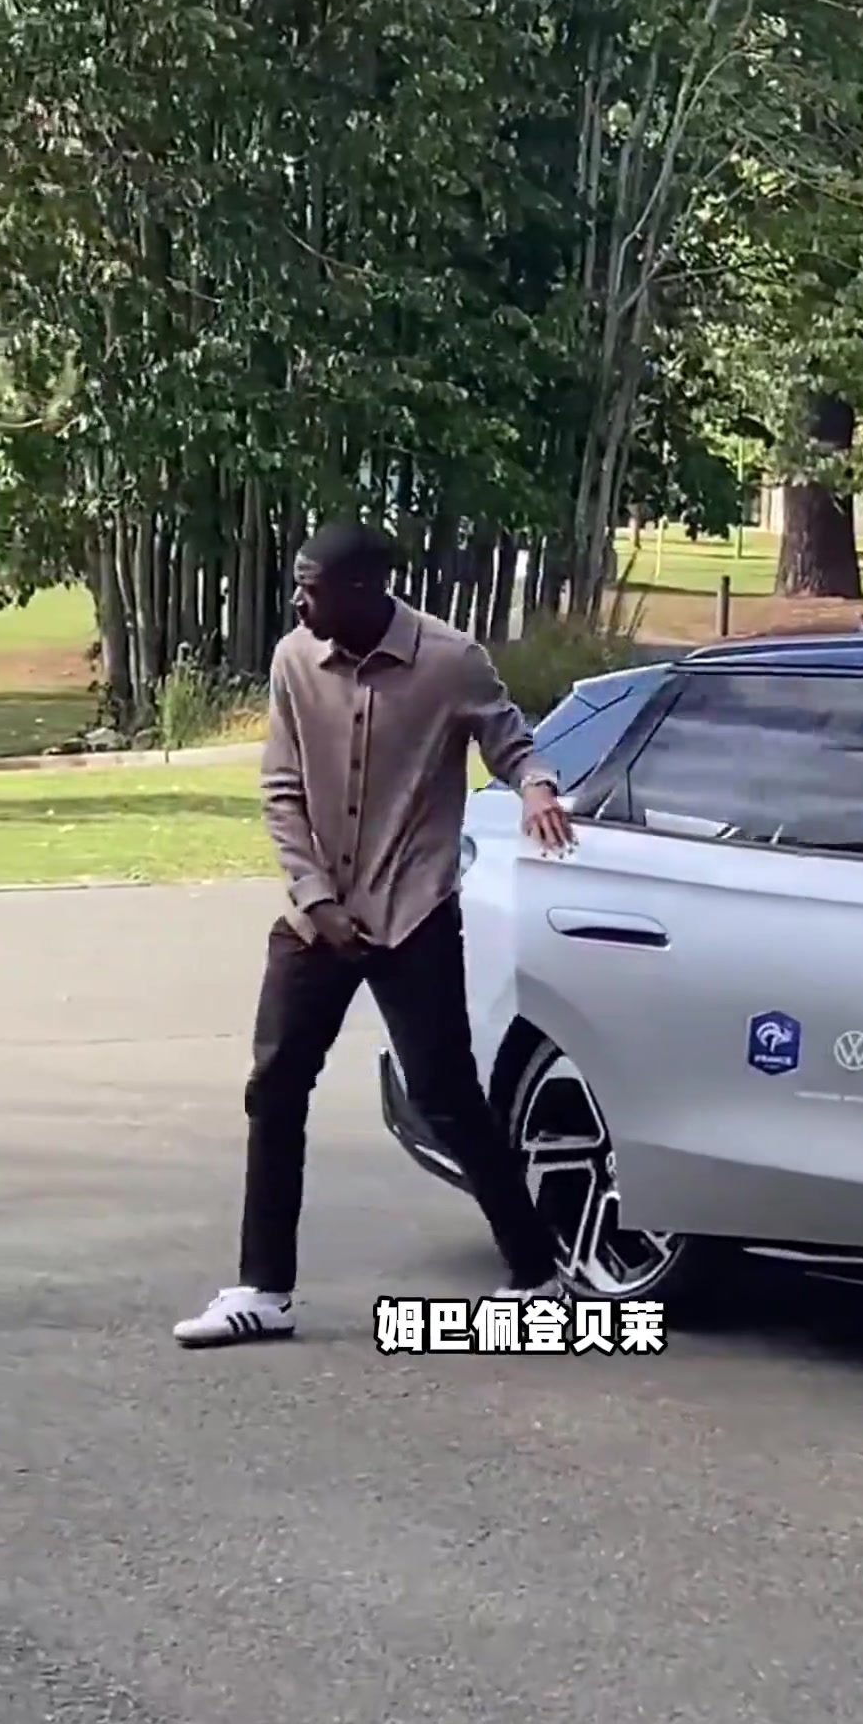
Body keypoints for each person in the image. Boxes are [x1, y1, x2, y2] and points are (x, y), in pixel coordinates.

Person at [174, 519, 573, 1346]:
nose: (298, 603)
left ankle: (538, 1276)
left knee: (445, 1096)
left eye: (310, 589)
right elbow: (282, 790)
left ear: (361, 591)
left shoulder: (450, 660)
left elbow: (510, 742)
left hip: (413, 909)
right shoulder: (294, 660)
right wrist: (316, 899)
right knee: (275, 1088)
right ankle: (262, 1291)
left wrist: (537, 787)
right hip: (315, 915)